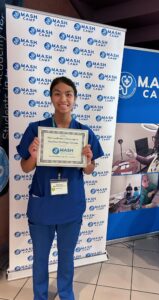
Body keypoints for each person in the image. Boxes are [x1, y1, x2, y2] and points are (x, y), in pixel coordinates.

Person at [16, 76, 104, 300]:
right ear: (51, 97)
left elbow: (89, 170)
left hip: (70, 206)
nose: (63, 98)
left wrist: (88, 160)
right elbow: (25, 167)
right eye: (57, 93)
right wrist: (34, 155)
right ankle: (40, 296)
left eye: (68, 94)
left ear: (74, 99)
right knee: (40, 258)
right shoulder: (36, 129)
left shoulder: (84, 133)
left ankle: (66, 294)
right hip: (42, 204)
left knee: (66, 256)